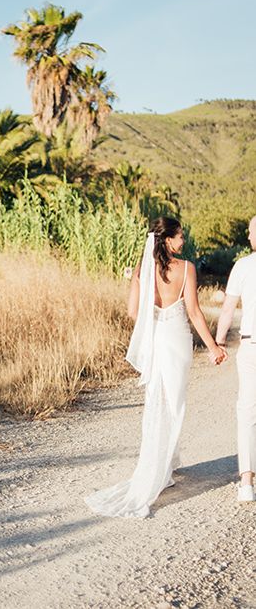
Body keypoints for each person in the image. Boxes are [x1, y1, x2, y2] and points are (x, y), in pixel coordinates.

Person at [86, 217, 227, 518]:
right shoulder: (187, 268)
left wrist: (148, 304)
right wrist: (213, 346)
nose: (183, 241)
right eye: (179, 237)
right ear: (167, 240)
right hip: (176, 341)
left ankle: (164, 466)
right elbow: (194, 312)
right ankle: (162, 470)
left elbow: (133, 311)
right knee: (174, 404)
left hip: (156, 342)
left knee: (156, 402)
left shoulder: (142, 270)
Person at [215, 215, 256, 502]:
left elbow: (228, 309)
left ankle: (246, 482)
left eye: (252, 231)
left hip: (251, 346)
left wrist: (218, 341)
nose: (249, 235)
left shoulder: (243, 266)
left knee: (247, 412)